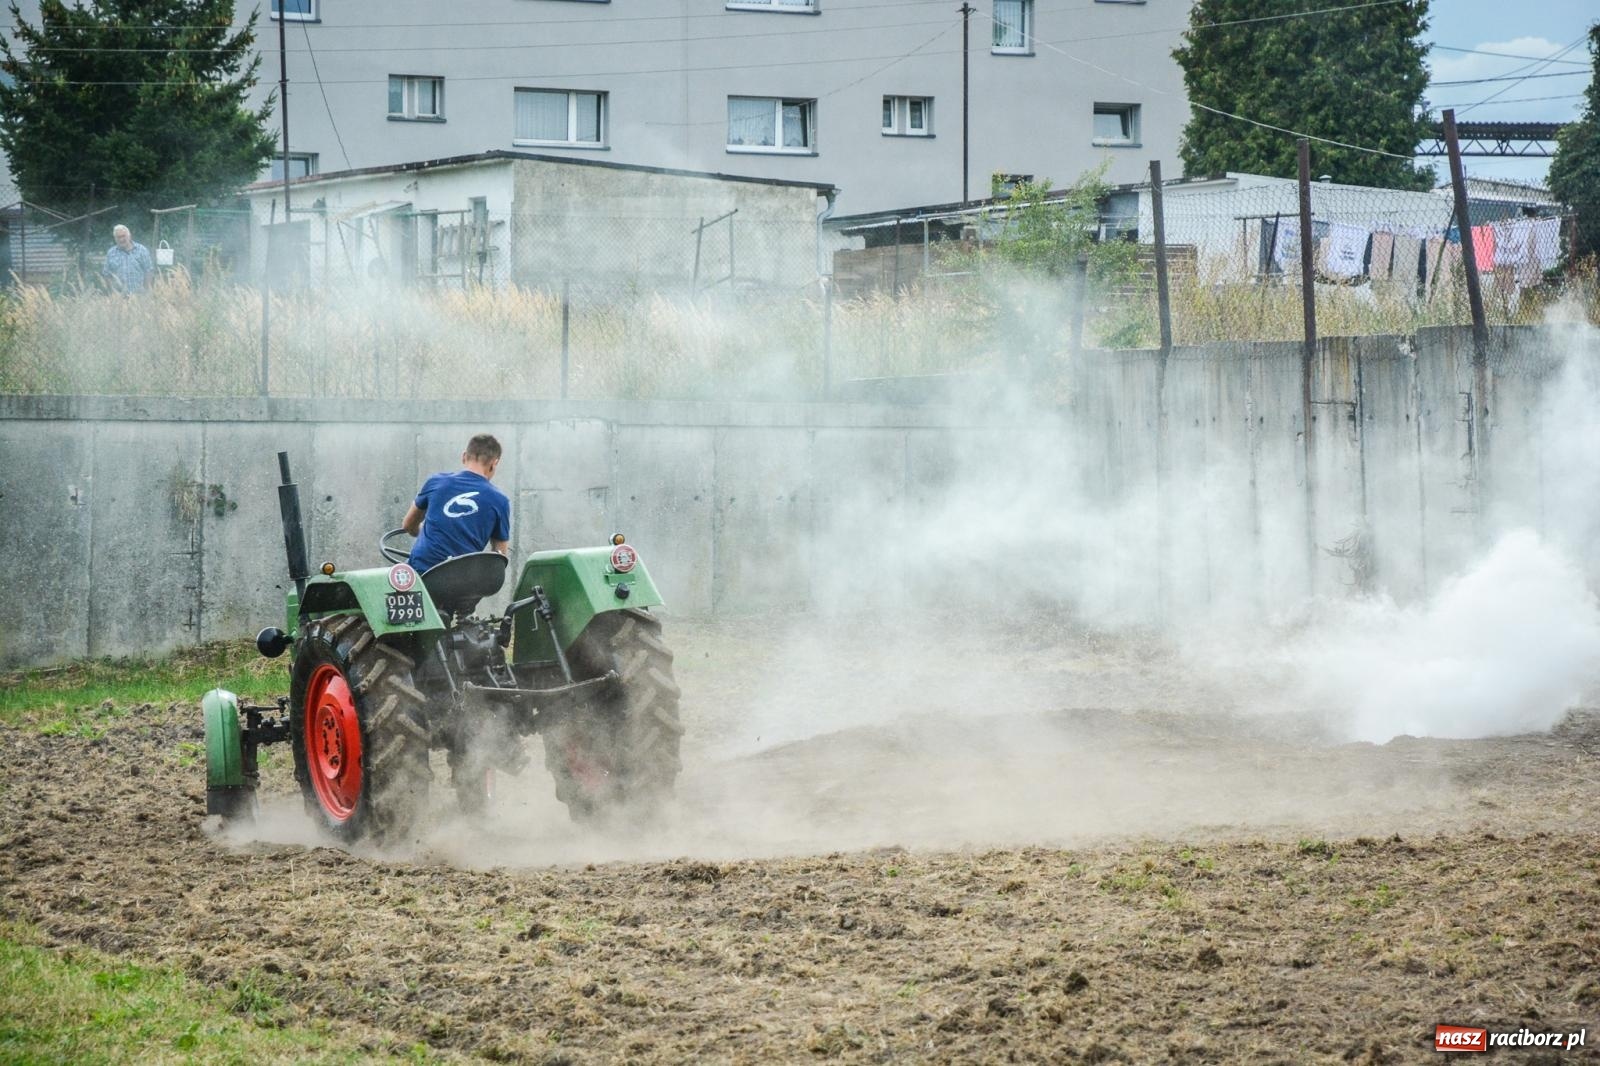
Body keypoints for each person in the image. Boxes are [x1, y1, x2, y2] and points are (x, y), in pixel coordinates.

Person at [403, 434, 511, 572]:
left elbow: (408, 525)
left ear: (464, 456)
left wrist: (425, 531)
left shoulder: (436, 482)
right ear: (494, 463)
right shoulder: (500, 501)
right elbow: (499, 559)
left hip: (422, 572)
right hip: (463, 579)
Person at [103, 225, 155, 294]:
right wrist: (113, 292)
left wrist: (146, 290)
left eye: (123, 236)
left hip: (139, 295)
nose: (121, 239)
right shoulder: (111, 253)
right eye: (118, 237)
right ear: (115, 239)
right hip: (119, 296)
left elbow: (148, 271)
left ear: (129, 236)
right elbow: (106, 274)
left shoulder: (141, 250)